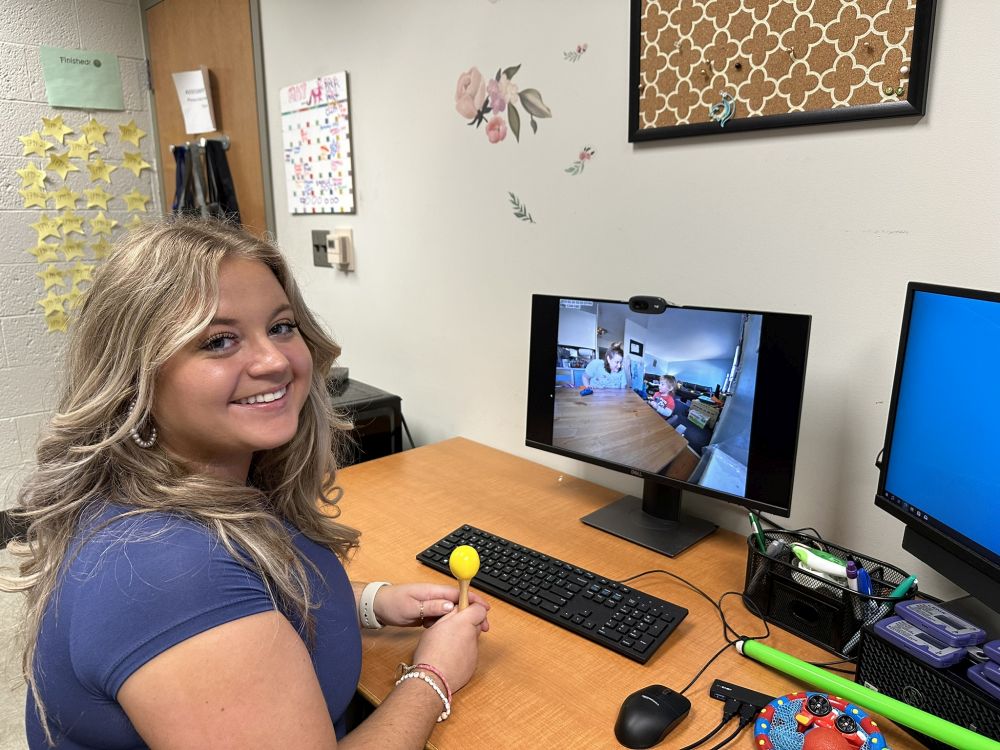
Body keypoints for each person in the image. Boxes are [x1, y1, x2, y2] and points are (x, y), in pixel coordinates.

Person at [2, 219, 490, 749]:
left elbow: (255, 595)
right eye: (219, 341)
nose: (275, 360)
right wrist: (433, 676)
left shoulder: (210, 478)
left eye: (281, 326)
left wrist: (370, 603)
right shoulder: (166, 573)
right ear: (134, 376)